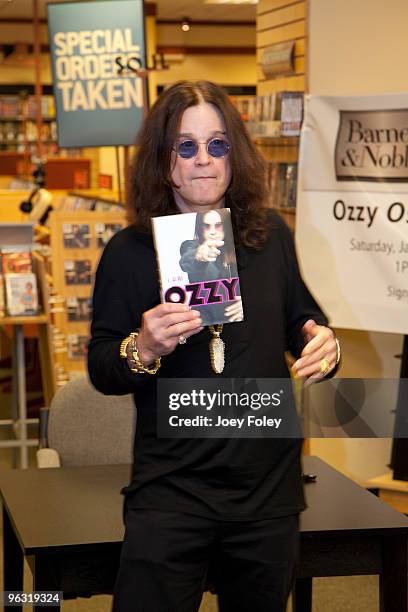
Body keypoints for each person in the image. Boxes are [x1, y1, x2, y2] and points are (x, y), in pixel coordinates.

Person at [88, 80, 340, 612]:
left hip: (266, 492)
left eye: (217, 144)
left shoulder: (270, 235)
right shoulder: (130, 253)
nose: (204, 160)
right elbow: (103, 368)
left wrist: (324, 344)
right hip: (171, 492)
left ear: (235, 154)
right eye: (186, 146)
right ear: (163, 158)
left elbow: (303, 319)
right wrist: (145, 346)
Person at [179, 208, 242, 324]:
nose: (213, 232)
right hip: (203, 324)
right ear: (200, 229)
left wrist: (247, 304)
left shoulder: (237, 248)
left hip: (236, 322)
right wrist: (199, 256)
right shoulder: (190, 246)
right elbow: (187, 260)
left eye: (218, 225)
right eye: (206, 226)